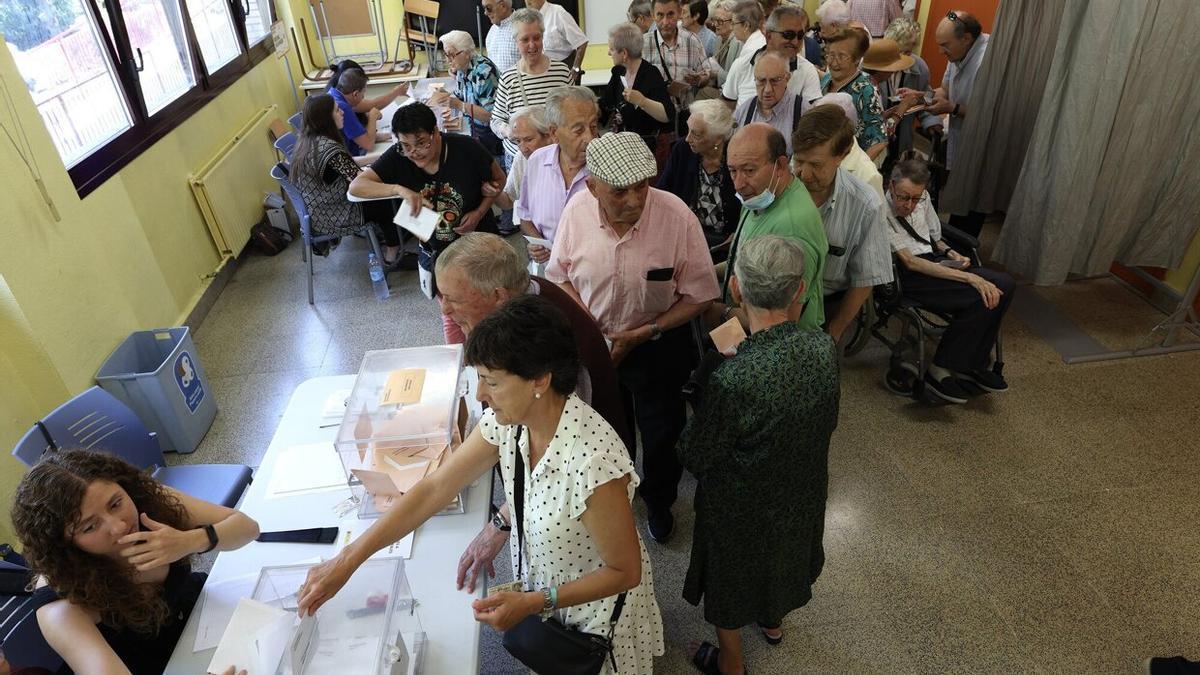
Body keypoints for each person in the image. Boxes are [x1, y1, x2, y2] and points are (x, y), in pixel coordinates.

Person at [298, 295, 666, 674]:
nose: (479, 395)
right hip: (548, 585)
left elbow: (624, 571)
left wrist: (538, 601)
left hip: (592, 611)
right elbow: (435, 487)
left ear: (540, 379)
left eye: (491, 381)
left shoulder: (593, 463)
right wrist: (348, 560)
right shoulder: (508, 422)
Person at [433, 233, 636, 591]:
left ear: (498, 296)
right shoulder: (522, 300)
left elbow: (551, 456)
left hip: (579, 513)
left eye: (452, 298)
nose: (444, 309)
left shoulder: (550, 346)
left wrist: (501, 523)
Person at [546, 131, 720, 543]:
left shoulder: (676, 217)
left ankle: (659, 501)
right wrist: (592, 327)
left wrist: (647, 331)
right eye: (620, 191)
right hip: (596, 343)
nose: (635, 200)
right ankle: (614, 497)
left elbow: (700, 294)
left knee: (662, 433)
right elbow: (561, 277)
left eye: (643, 186)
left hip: (658, 343)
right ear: (592, 187)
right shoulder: (576, 212)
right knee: (605, 427)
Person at [680, 235, 838, 675]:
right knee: (783, 554)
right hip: (800, 491)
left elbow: (696, 453)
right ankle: (771, 622)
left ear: (735, 289)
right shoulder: (822, 350)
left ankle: (731, 663)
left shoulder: (733, 378)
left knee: (731, 577)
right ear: (800, 291)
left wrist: (712, 375)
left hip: (741, 508)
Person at [11, 450, 260, 674]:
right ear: (64, 544)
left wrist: (191, 540)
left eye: (116, 503)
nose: (120, 527)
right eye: (90, 526)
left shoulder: (147, 502)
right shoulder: (61, 606)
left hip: (205, 615)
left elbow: (248, 528)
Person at [350, 103, 506, 343]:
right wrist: (398, 189)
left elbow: (499, 179)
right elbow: (356, 187)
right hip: (438, 253)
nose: (415, 152)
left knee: (490, 313)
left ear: (435, 132)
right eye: (407, 146)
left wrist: (479, 211)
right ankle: (460, 365)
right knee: (453, 316)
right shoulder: (399, 156)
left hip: (480, 247)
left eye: (422, 143)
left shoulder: (465, 148)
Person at [886, 159, 1013, 402]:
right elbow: (910, 261)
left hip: (935, 261)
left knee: (1005, 284)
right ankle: (941, 368)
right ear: (891, 186)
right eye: (903, 197)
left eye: (916, 198)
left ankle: (972, 363)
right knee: (979, 293)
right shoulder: (881, 211)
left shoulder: (922, 200)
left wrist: (951, 253)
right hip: (910, 274)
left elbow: (935, 238)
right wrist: (971, 278)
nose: (909, 205)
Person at [791, 104, 893, 344]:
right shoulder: (780, 183)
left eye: (816, 165)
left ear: (843, 155)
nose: (803, 174)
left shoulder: (866, 205)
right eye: (799, 161)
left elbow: (865, 278)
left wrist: (834, 331)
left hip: (826, 303)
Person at [714, 123, 826, 331]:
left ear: (781, 166)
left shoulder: (791, 230)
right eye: (732, 171)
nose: (738, 184)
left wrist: (723, 313)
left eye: (749, 170)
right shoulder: (761, 196)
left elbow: (783, 325)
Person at [290, 94, 404, 264]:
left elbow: (346, 163)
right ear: (326, 118)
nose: (342, 112)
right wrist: (389, 167)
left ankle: (394, 232)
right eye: (337, 110)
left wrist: (381, 157)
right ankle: (392, 254)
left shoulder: (309, 140)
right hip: (336, 213)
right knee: (384, 200)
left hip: (319, 210)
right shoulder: (330, 148)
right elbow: (361, 181)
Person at [915, 9, 989, 236]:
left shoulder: (986, 61)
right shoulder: (957, 54)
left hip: (983, 142)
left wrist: (952, 109)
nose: (940, 51)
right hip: (961, 135)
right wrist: (919, 97)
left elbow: (989, 113)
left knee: (973, 202)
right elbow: (945, 90)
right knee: (960, 196)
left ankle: (964, 245)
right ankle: (953, 239)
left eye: (945, 45)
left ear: (966, 39)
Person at [516, 86, 599, 266]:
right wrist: (536, 243)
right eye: (578, 130)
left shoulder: (606, 168)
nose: (590, 138)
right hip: (548, 269)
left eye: (593, 127)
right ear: (554, 133)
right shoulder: (537, 161)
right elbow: (524, 213)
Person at [489, 8, 573, 168]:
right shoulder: (508, 78)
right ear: (516, 41)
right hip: (520, 159)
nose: (532, 45)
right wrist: (510, 132)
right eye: (525, 39)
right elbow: (496, 120)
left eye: (537, 38)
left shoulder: (561, 72)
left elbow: (571, 114)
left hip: (555, 157)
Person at [657, 99, 740, 260]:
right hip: (685, 240)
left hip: (725, 247)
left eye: (696, 134)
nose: (688, 138)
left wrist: (739, 234)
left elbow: (748, 205)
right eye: (688, 130)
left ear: (717, 139)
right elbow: (662, 193)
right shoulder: (682, 149)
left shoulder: (736, 157)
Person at [599, 23, 676, 169]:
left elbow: (667, 114)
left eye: (612, 49)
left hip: (648, 150)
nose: (609, 53)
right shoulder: (618, 72)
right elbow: (605, 104)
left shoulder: (651, 74)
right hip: (623, 149)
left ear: (624, 54)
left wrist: (642, 101)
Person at [721, 5, 822, 109]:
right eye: (788, 35)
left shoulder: (807, 71)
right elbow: (727, 107)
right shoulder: (742, 65)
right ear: (769, 36)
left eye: (800, 35)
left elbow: (812, 117)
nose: (796, 42)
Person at [820, 27, 888, 161]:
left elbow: (880, 140)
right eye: (831, 55)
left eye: (841, 56)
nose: (834, 62)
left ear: (857, 59)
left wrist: (857, 173)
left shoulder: (867, 90)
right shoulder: (827, 80)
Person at [434, 31, 503, 158]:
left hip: (494, 135)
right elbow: (461, 96)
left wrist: (458, 104)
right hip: (477, 130)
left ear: (466, 53)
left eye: (451, 55)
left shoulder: (483, 72)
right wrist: (445, 96)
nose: (447, 60)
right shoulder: (461, 68)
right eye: (446, 55)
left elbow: (491, 115)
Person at [807, 92, 884, 200]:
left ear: (844, 131)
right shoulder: (805, 152)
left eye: (821, 125)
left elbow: (874, 215)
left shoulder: (868, 176)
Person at [883, 17, 941, 159]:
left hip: (902, 137)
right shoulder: (873, 64)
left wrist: (932, 122)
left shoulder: (920, 67)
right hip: (876, 135)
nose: (902, 57)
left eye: (907, 52)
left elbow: (926, 98)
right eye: (898, 52)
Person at [643, 0, 709, 119]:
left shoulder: (692, 41)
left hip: (684, 115)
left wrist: (699, 79)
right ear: (653, 15)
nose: (665, 22)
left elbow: (706, 73)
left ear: (679, 13)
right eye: (660, 15)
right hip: (653, 118)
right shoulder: (643, 44)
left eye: (670, 14)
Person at [732, 51, 806, 154]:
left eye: (775, 81)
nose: (767, 89)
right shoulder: (744, 111)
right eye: (761, 81)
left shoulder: (803, 111)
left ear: (787, 78)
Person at [493, 105, 553, 230]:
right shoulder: (521, 158)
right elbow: (508, 201)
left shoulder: (568, 160)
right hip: (536, 238)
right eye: (517, 141)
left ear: (549, 135)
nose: (523, 148)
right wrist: (494, 191)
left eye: (529, 139)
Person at [330, 69, 390, 157]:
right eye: (363, 94)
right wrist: (372, 117)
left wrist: (390, 135)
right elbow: (368, 144)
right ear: (355, 94)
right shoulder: (343, 108)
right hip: (349, 158)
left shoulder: (332, 94)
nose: (363, 97)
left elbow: (360, 136)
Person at [524, 0, 589, 78]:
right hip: (541, 72)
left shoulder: (558, 13)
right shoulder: (528, 19)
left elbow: (582, 42)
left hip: (563, 70)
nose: (527, 1)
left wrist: (575, 69)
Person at [323, 59, 409, 118]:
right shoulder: (342, 99)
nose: (363, 97)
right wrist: (396, 92)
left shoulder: (336, 89)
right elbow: (373, 105)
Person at [704, 0, 743, 90]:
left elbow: (736, 80)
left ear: (733, 22)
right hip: (720, 87)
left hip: (732, 93)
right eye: (714, 20)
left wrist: (717, 72)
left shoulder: (738, 42)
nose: (715, 24)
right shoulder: (719, 39)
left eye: (720, 21)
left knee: (703, 92)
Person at [482, 0, 519, 75]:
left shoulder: (523, 26)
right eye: (484, 8)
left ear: (503, 7)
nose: (485, 13)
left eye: (488, 8)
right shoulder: (491, 31)